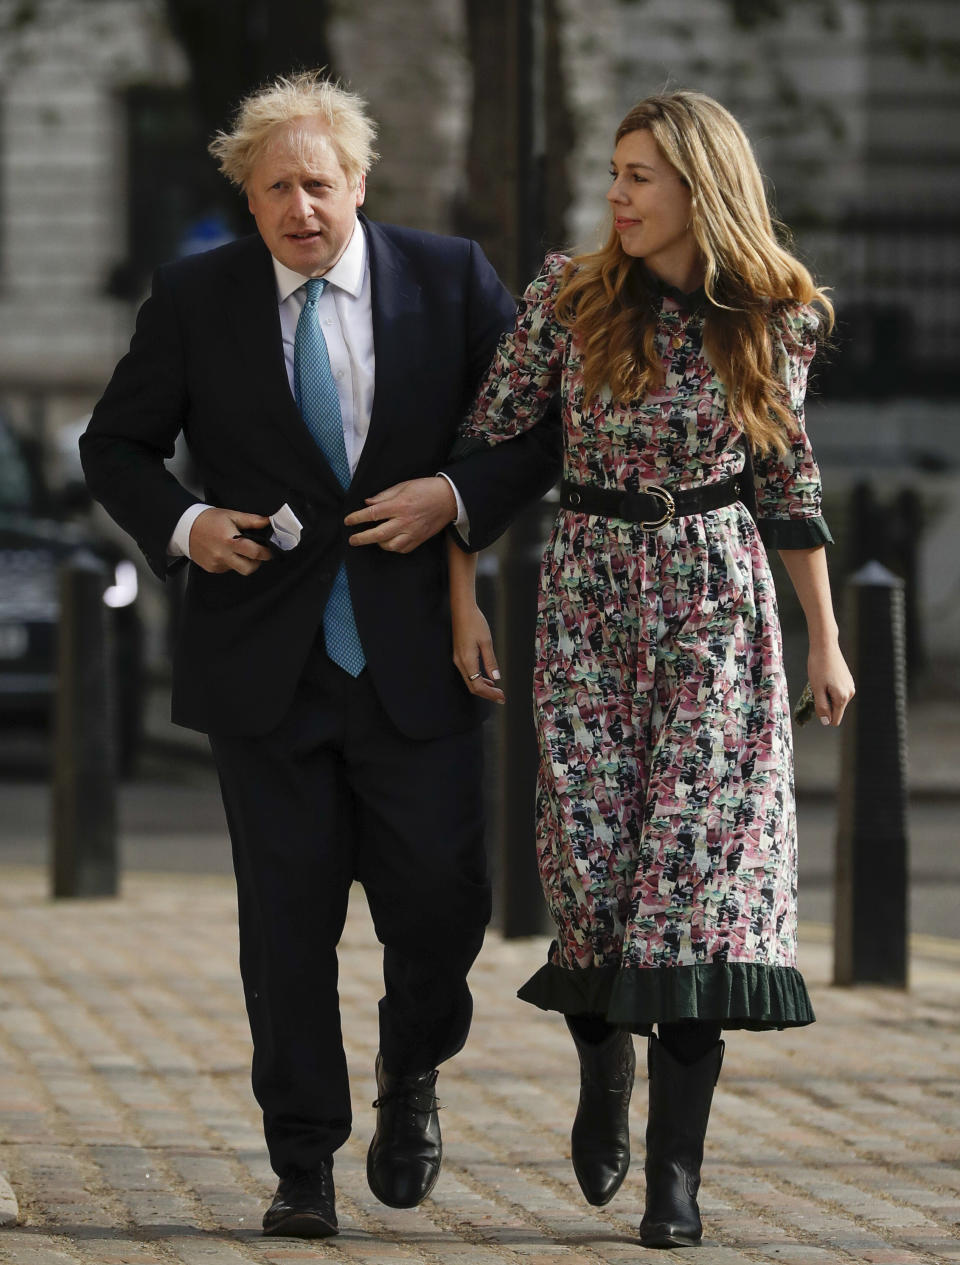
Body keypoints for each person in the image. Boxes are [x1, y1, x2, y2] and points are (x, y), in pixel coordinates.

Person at [80, 70, 559, 1240]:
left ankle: (412, 1066)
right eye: (279, 187)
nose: (304, 206)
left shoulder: (448, 282)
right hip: (266, 670)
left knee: (443, 905)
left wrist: (451, 495)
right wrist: (189, 526)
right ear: (248, 200)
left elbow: (533, 424)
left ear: (361, 182)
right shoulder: (196, 298)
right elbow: (117, 445)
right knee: (285, 926)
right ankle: (303, 1160)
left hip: (420, 663)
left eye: (322, 182)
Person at [443, 90, 855, 1250]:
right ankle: (599, 1063)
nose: (617, 196)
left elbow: (790, 481)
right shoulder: (565, 302)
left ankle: (677, 1180)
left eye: (639, 177)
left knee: (699, 897)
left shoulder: (778, 317)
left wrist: (825, 636)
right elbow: (484, 448)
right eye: (615, 174)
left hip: (720, 604)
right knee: (591, 870)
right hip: (584, 595)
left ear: (698, 188)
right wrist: (461, 598)